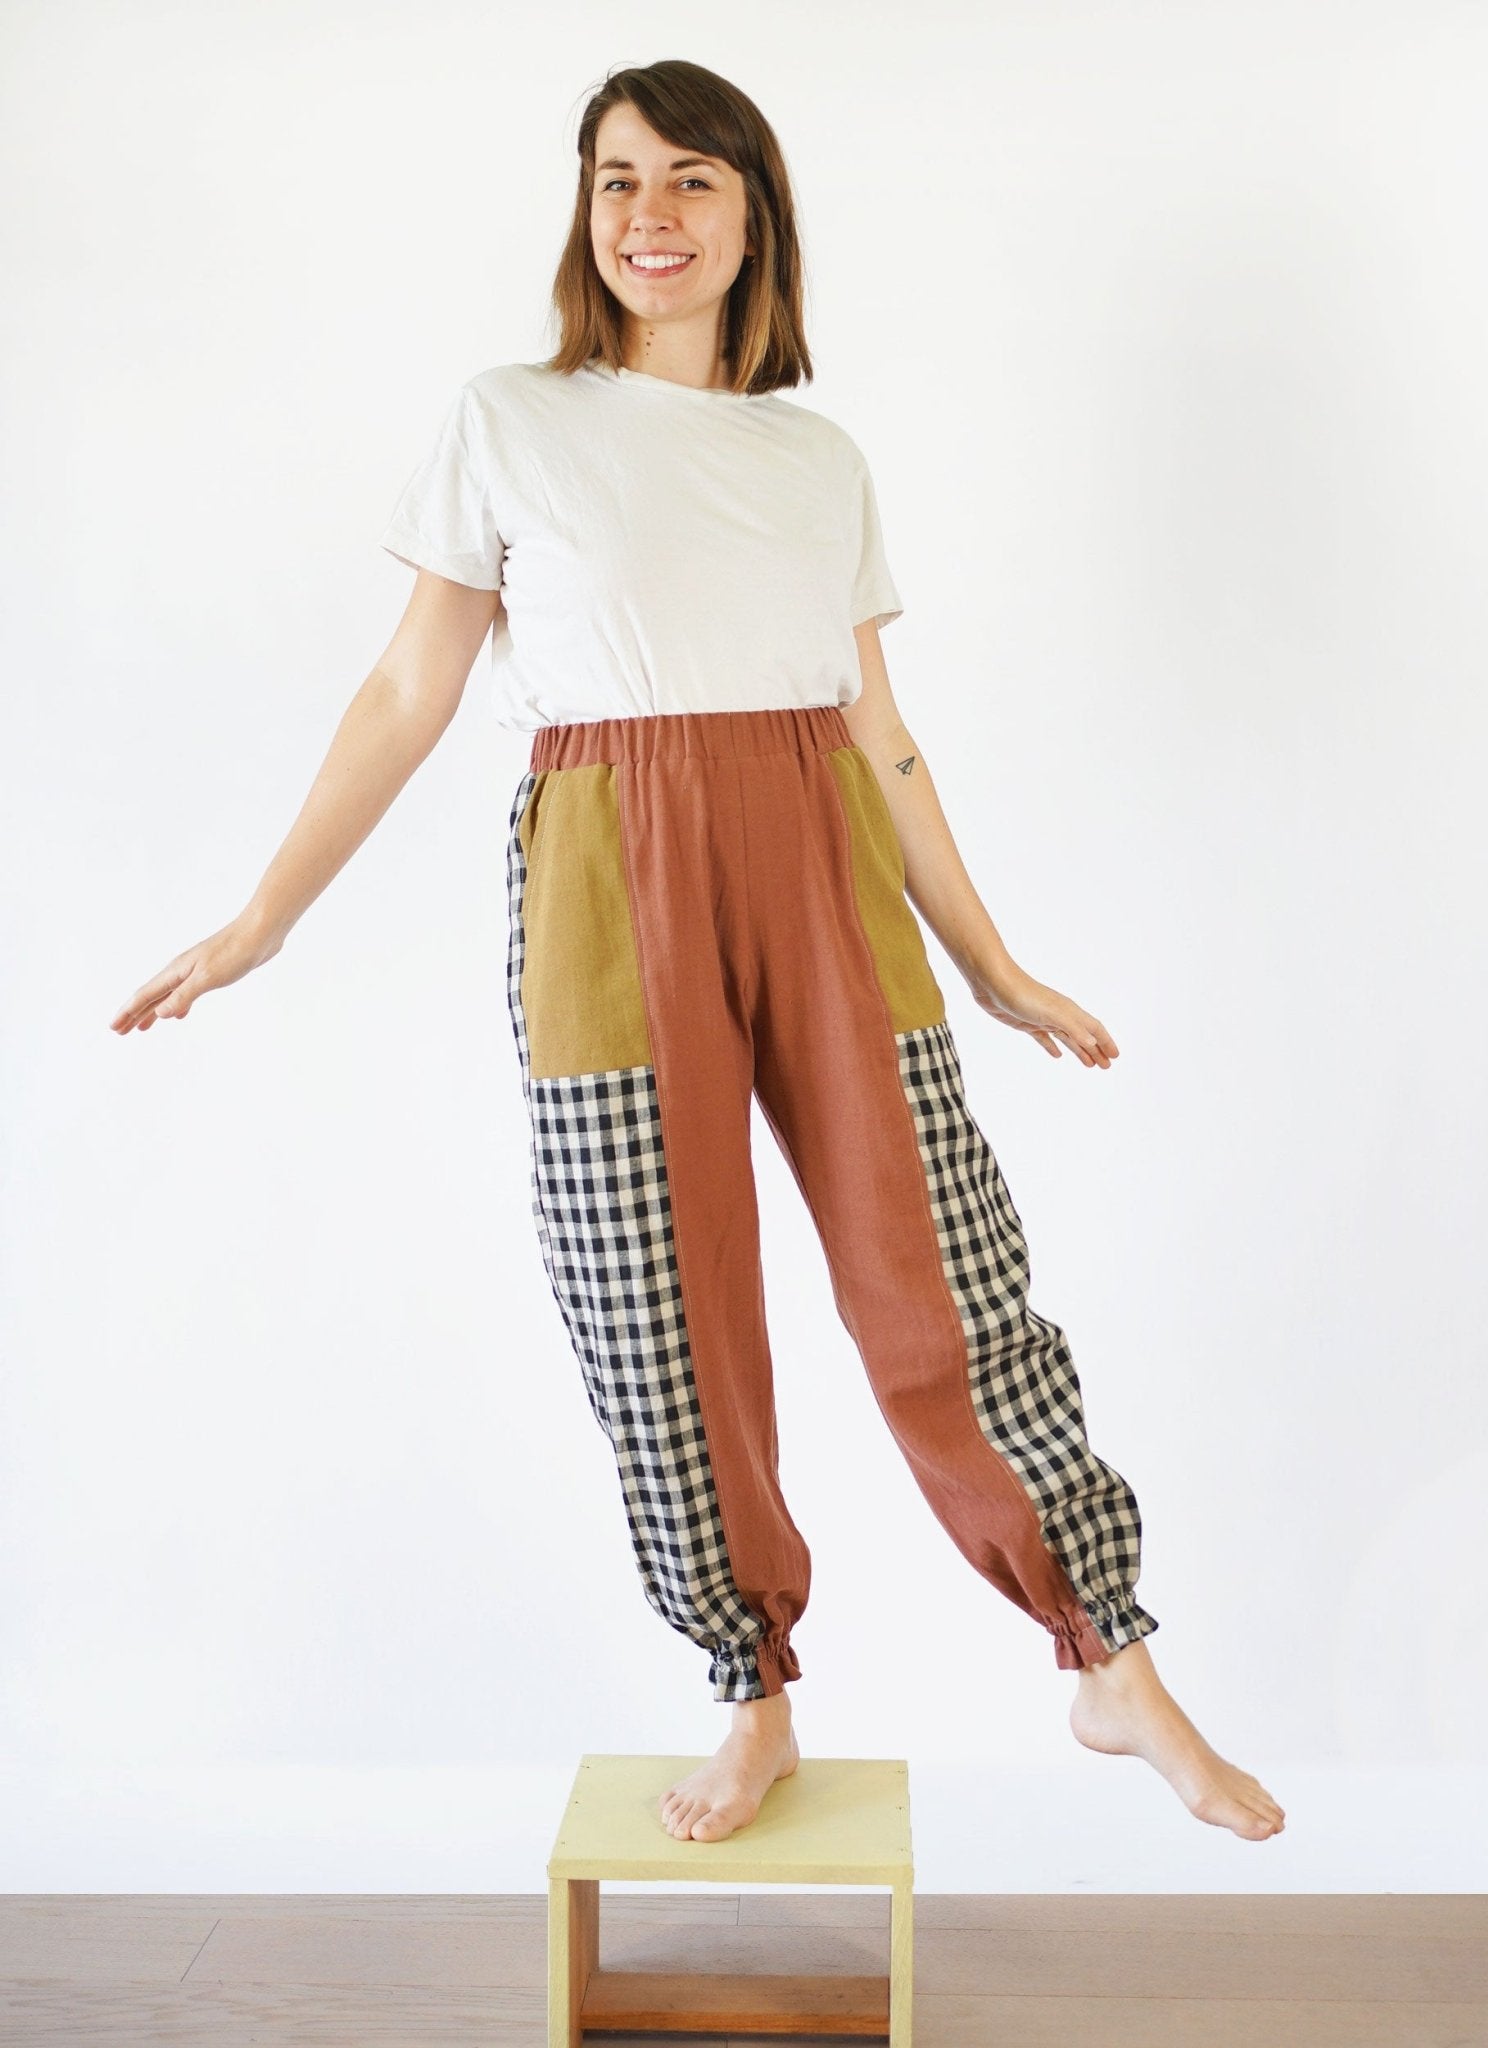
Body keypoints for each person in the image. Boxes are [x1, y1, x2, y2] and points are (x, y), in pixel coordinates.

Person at [110, 58, 1285, 1851]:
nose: (647, 215)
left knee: (942, 1272)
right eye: (616, 180)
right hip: (608, 865)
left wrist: (988, 960)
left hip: (823, 854)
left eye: (689, 181)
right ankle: (752, 1693)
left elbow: (880, 733)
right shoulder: (510, 419)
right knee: (655, 1304)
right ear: (583, 212)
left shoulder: (817, 458)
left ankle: (1106, 1658)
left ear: (754, 215)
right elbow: (410, 686)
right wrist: (264, 916)